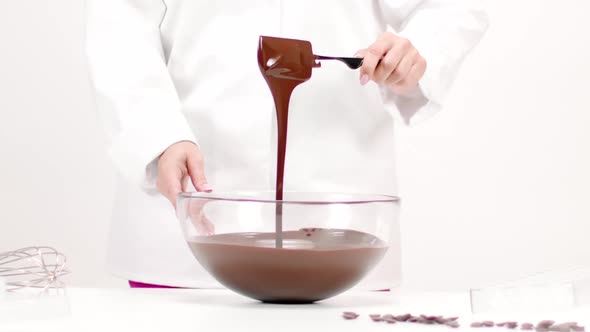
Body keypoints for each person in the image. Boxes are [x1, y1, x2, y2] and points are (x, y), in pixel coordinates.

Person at [85, 0, 488, 289]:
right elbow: (118, 25)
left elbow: (452, 8)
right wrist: (160, 136)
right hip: (186, 220)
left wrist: (417, 51)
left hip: (341, 224)